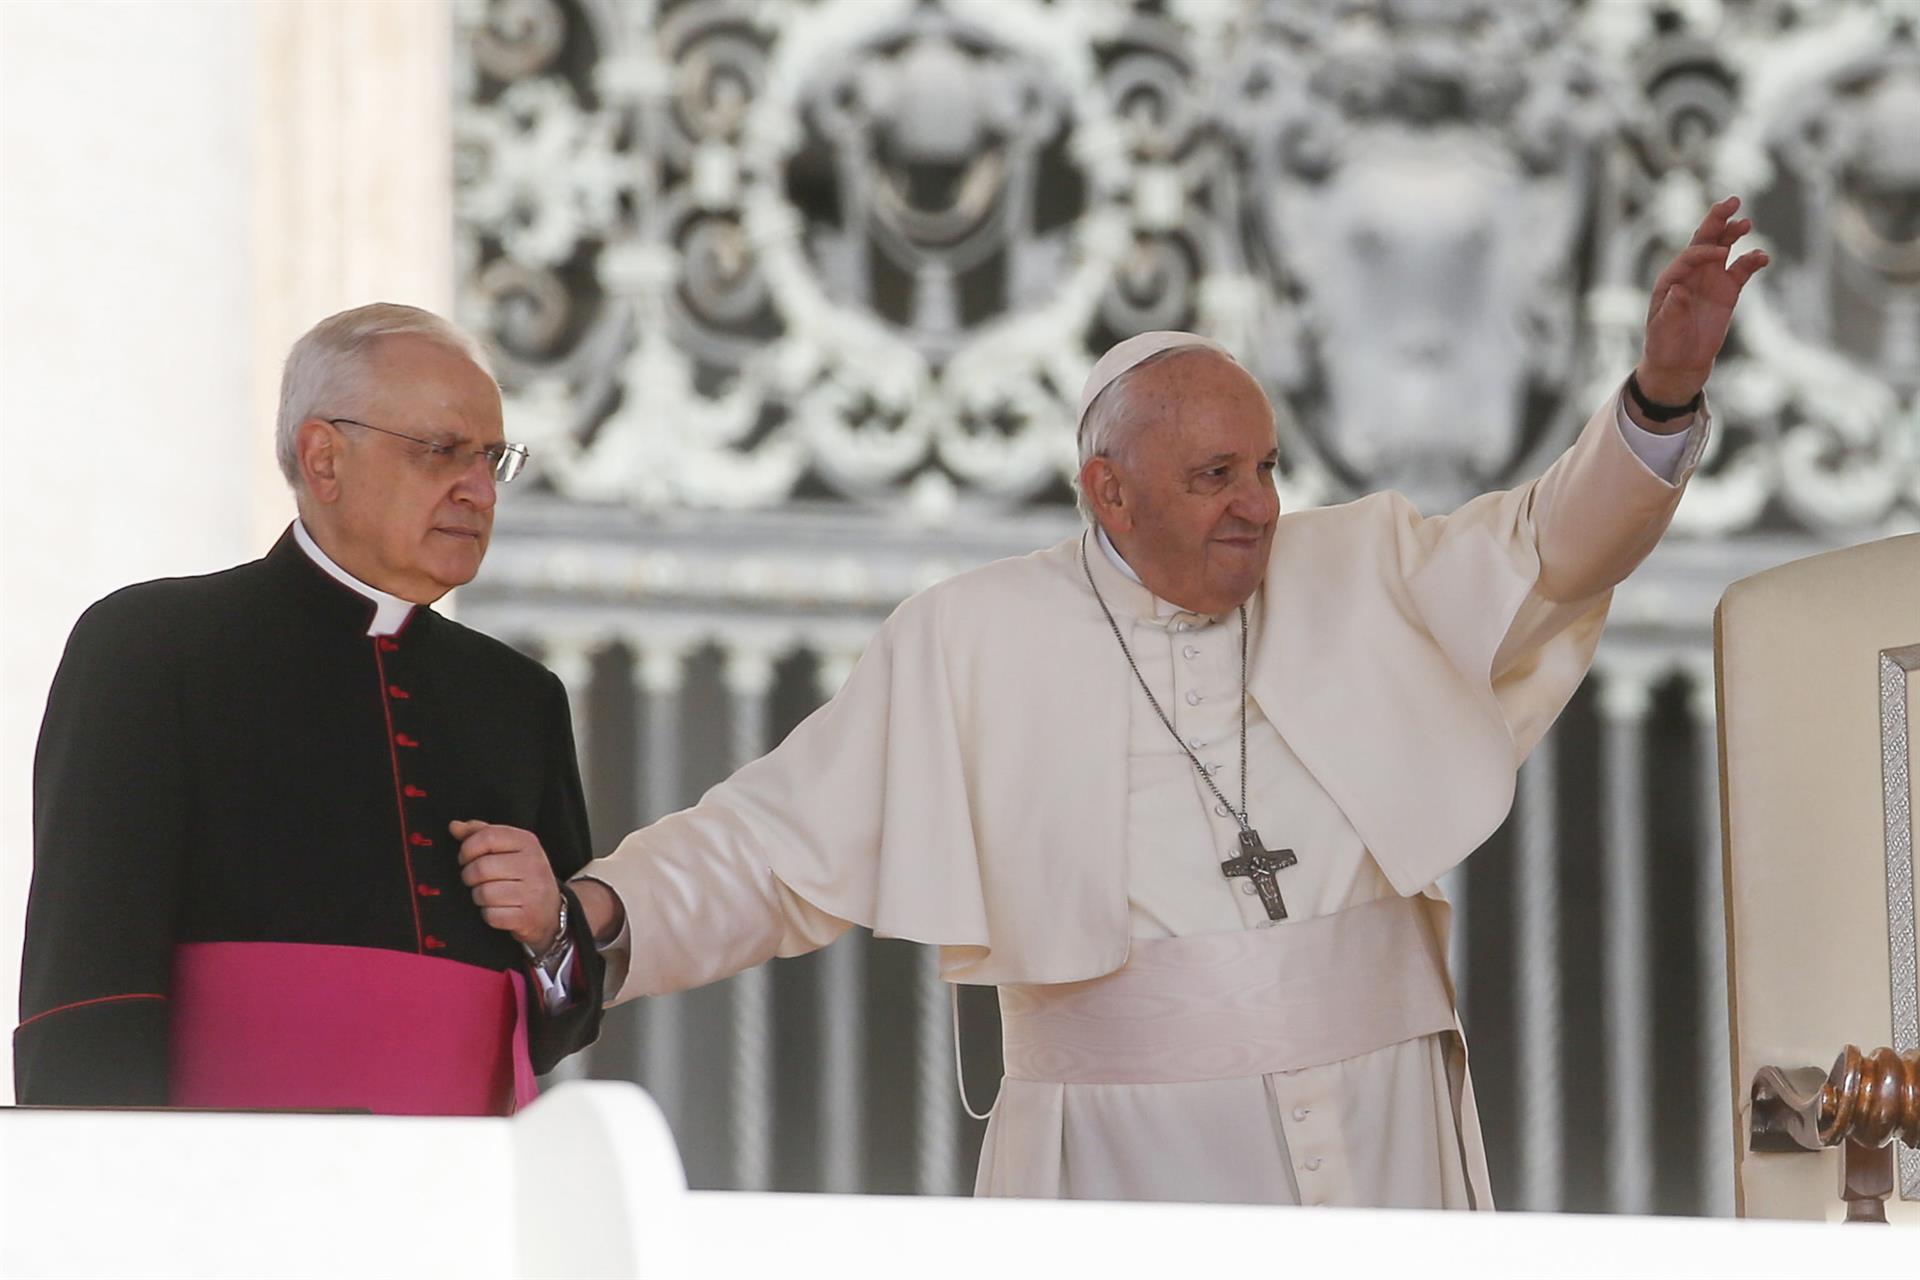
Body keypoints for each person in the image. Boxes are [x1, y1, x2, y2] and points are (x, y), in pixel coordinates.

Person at [567, 198, 1768, 1205]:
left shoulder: (1364, 567)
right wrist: (598, 913)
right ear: (1111, 492)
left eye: (1266, 467)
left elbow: (1551, 551)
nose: (1257, 504)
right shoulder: (974, 635)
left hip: (1384, 1129)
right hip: (1125, 1156)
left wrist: (1659, 397)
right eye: (1214, 475)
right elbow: (773, 842)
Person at [14, 303, 605, 1114]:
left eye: (492, 459)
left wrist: (551, 931)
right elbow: (86, 975)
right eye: (442, 451)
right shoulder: (154, 645)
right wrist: (110, 1169)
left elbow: (559, 1023)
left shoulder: (520, 699)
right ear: (324, 458)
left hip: (456, 1169)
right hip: (224, 1160)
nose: (477, 490)